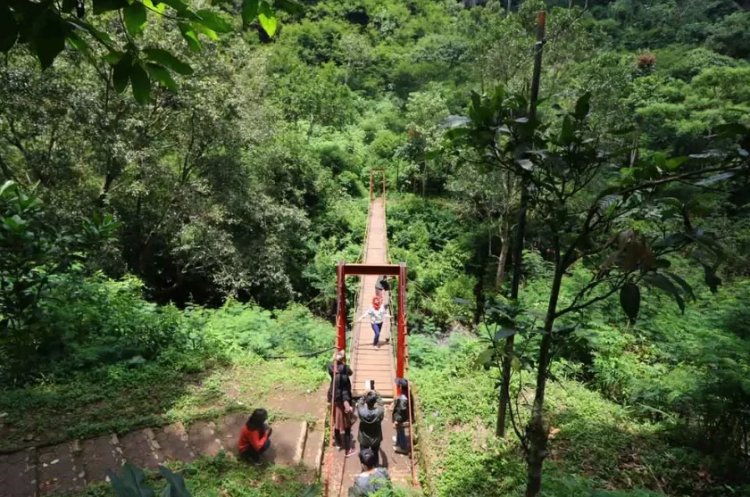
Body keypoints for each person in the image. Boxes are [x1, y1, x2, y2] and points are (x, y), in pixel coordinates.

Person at [327, 350, 356, 457]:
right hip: (342, 402)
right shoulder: (344, 375)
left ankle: (338, 443)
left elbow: (330, 365)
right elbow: (350, 372)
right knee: (347, 425)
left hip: (334, 400)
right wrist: (347, 404)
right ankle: (348, 450)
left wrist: (337, 359)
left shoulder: (331, 369)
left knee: (336, 424)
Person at [356, 390, 384, 466]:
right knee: (375, 453)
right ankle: (375, 467)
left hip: (364, 438)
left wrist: (364, 395)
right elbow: (381, 404)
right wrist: (377, 394)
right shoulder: (379, 412)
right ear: (374, 402)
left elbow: (359, 403)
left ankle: (364, 467)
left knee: (364, 454)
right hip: (375, 438)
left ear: (366, 402)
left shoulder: (361, 412)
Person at [392, 378, 410, 454]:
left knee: (401, 430)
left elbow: (401, 410)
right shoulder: (406, 394)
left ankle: (403, 447)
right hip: (404, 417)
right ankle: (398, 442)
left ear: (401, 387)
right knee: (399, 430)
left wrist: (397, 420)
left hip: (401, 419)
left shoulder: (403, 399)